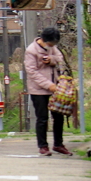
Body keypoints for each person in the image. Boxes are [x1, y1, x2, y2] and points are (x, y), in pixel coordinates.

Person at [24, 27, 69, 156]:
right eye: (50, 44)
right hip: (38, 90)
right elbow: (32, 72)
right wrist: (48, 85)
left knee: (58, 116)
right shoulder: (31, 51)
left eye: (54, 44)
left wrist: (51, 60)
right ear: (44, 40)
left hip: (55, 87)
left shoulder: (52, 48)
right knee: (42, 118)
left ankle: (58, 144)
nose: (52, 46)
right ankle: (43, 146)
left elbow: (59, 58)